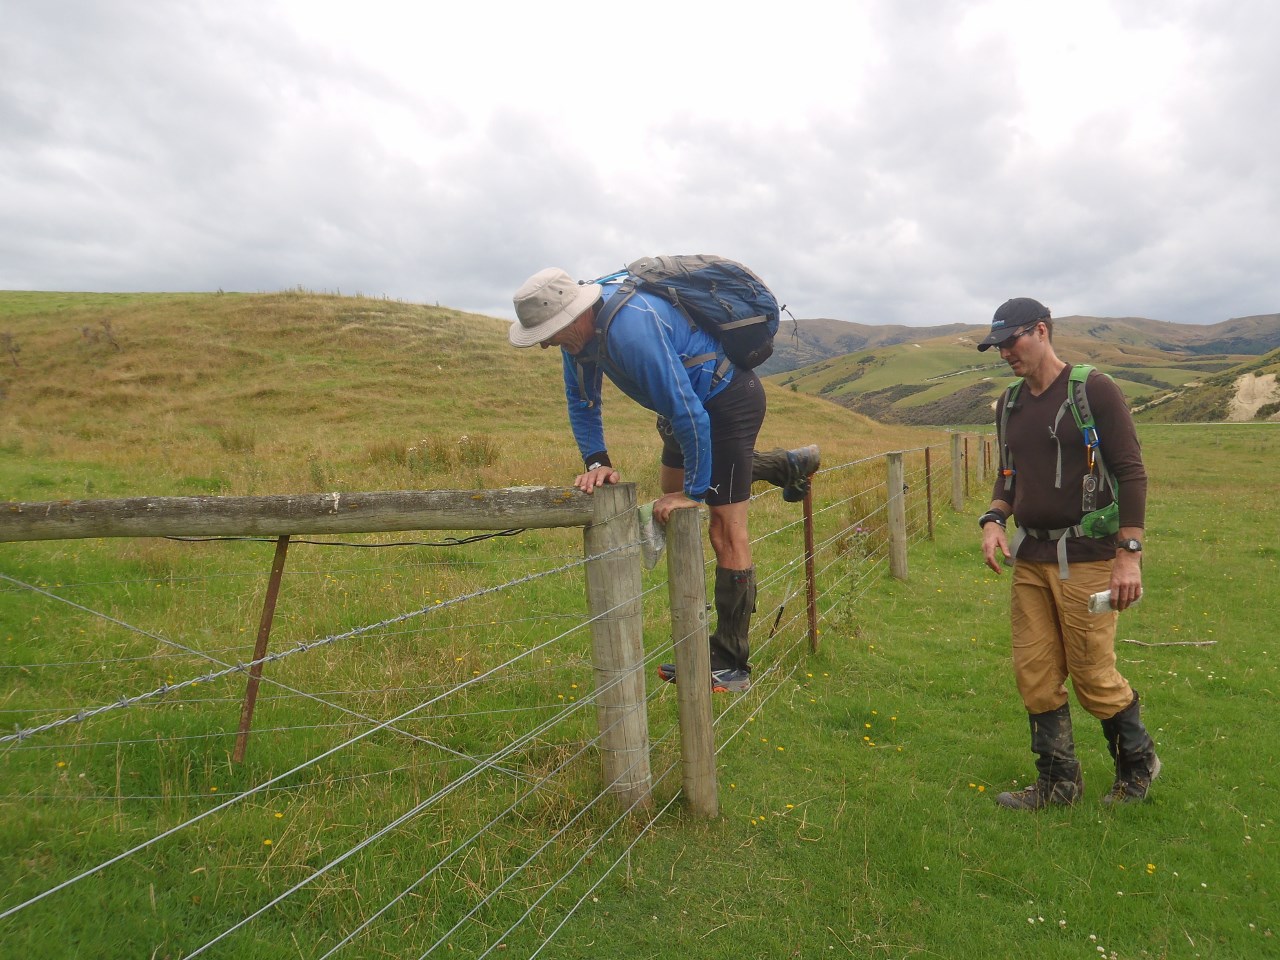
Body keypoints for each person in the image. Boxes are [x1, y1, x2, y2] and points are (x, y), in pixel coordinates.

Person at [510, 266, 819, 693]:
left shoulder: (631, 328)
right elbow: (583, 402)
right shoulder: (579, 340)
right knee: (679, 509)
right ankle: (787, 466)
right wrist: (596, 460)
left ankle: (731, 664)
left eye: (548, 332)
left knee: (724, 529)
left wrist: (694, 493)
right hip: (683, 414)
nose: (545, 343)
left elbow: (692, 413)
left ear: (572, 314)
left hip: (725, 405)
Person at [976, 297, 1161, 808]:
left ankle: (1138, 766)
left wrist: (1129, 554)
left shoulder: (1093, 389)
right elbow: (1007, 476)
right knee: (1034, 673)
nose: (1004, 353)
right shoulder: (1009, 404)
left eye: (1011, 341)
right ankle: (1059, 784)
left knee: (1092, 675)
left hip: (1089, 556)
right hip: (1030, 556)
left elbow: (1131, 471)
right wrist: (994, 519)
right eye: (997, 345)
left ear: (1041, 330)